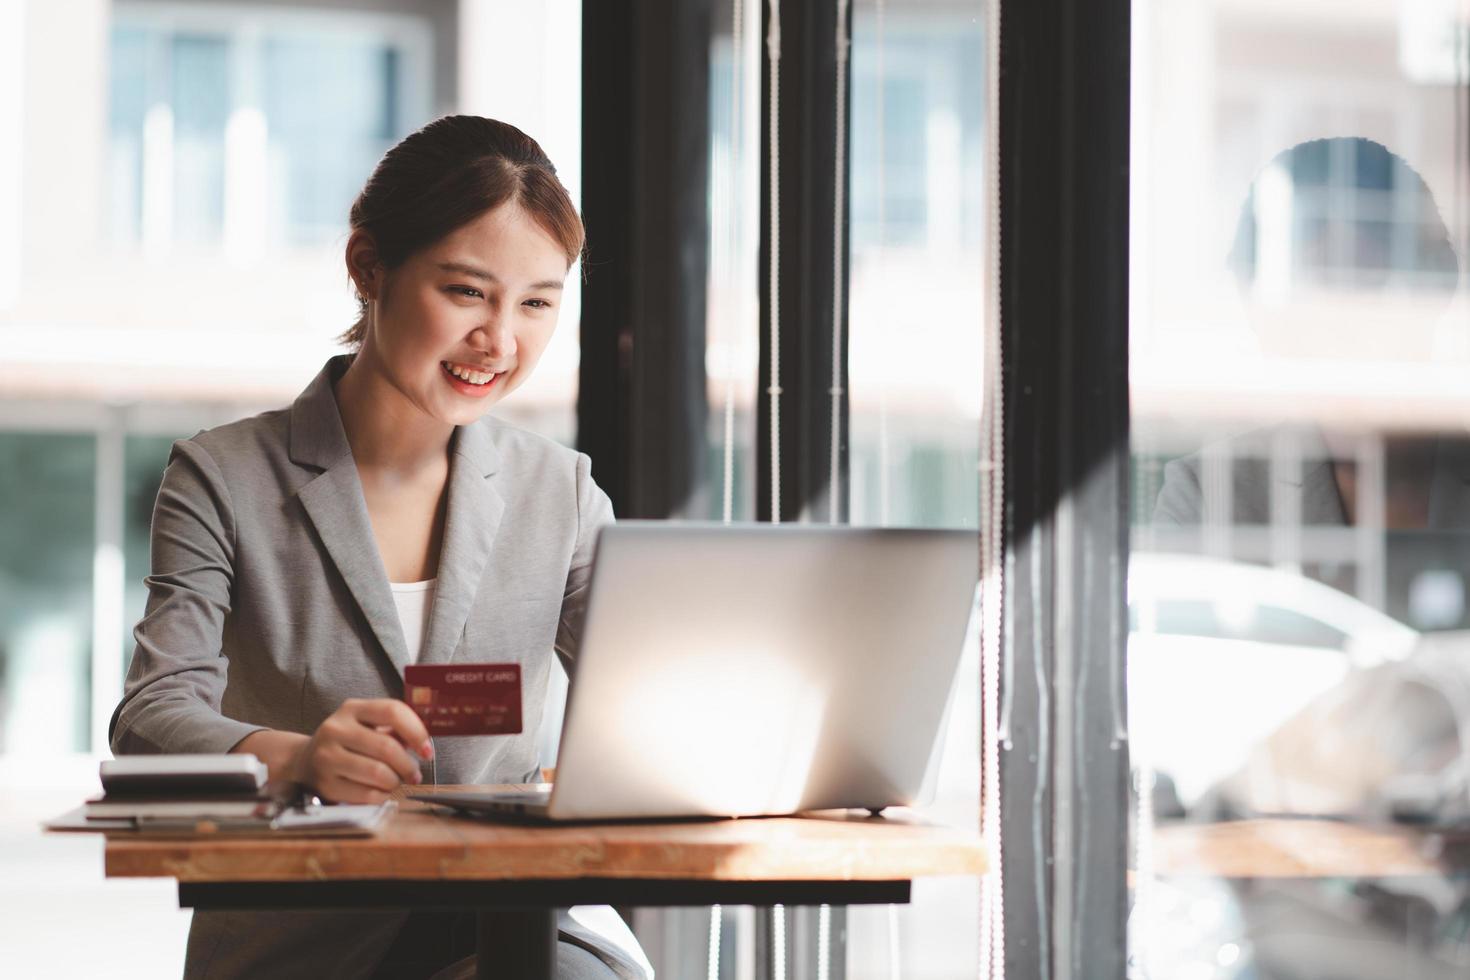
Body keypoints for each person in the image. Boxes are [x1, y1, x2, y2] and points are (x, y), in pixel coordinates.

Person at [109, 116, 647, 980]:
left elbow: (652, 693)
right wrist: (300, 756)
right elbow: (151, 718)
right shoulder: (225, 476)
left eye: (537, 302)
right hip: (311, 934)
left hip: (521, 923)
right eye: (468, 292)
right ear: (369, 268)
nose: (501, 341)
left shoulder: (563, 492)